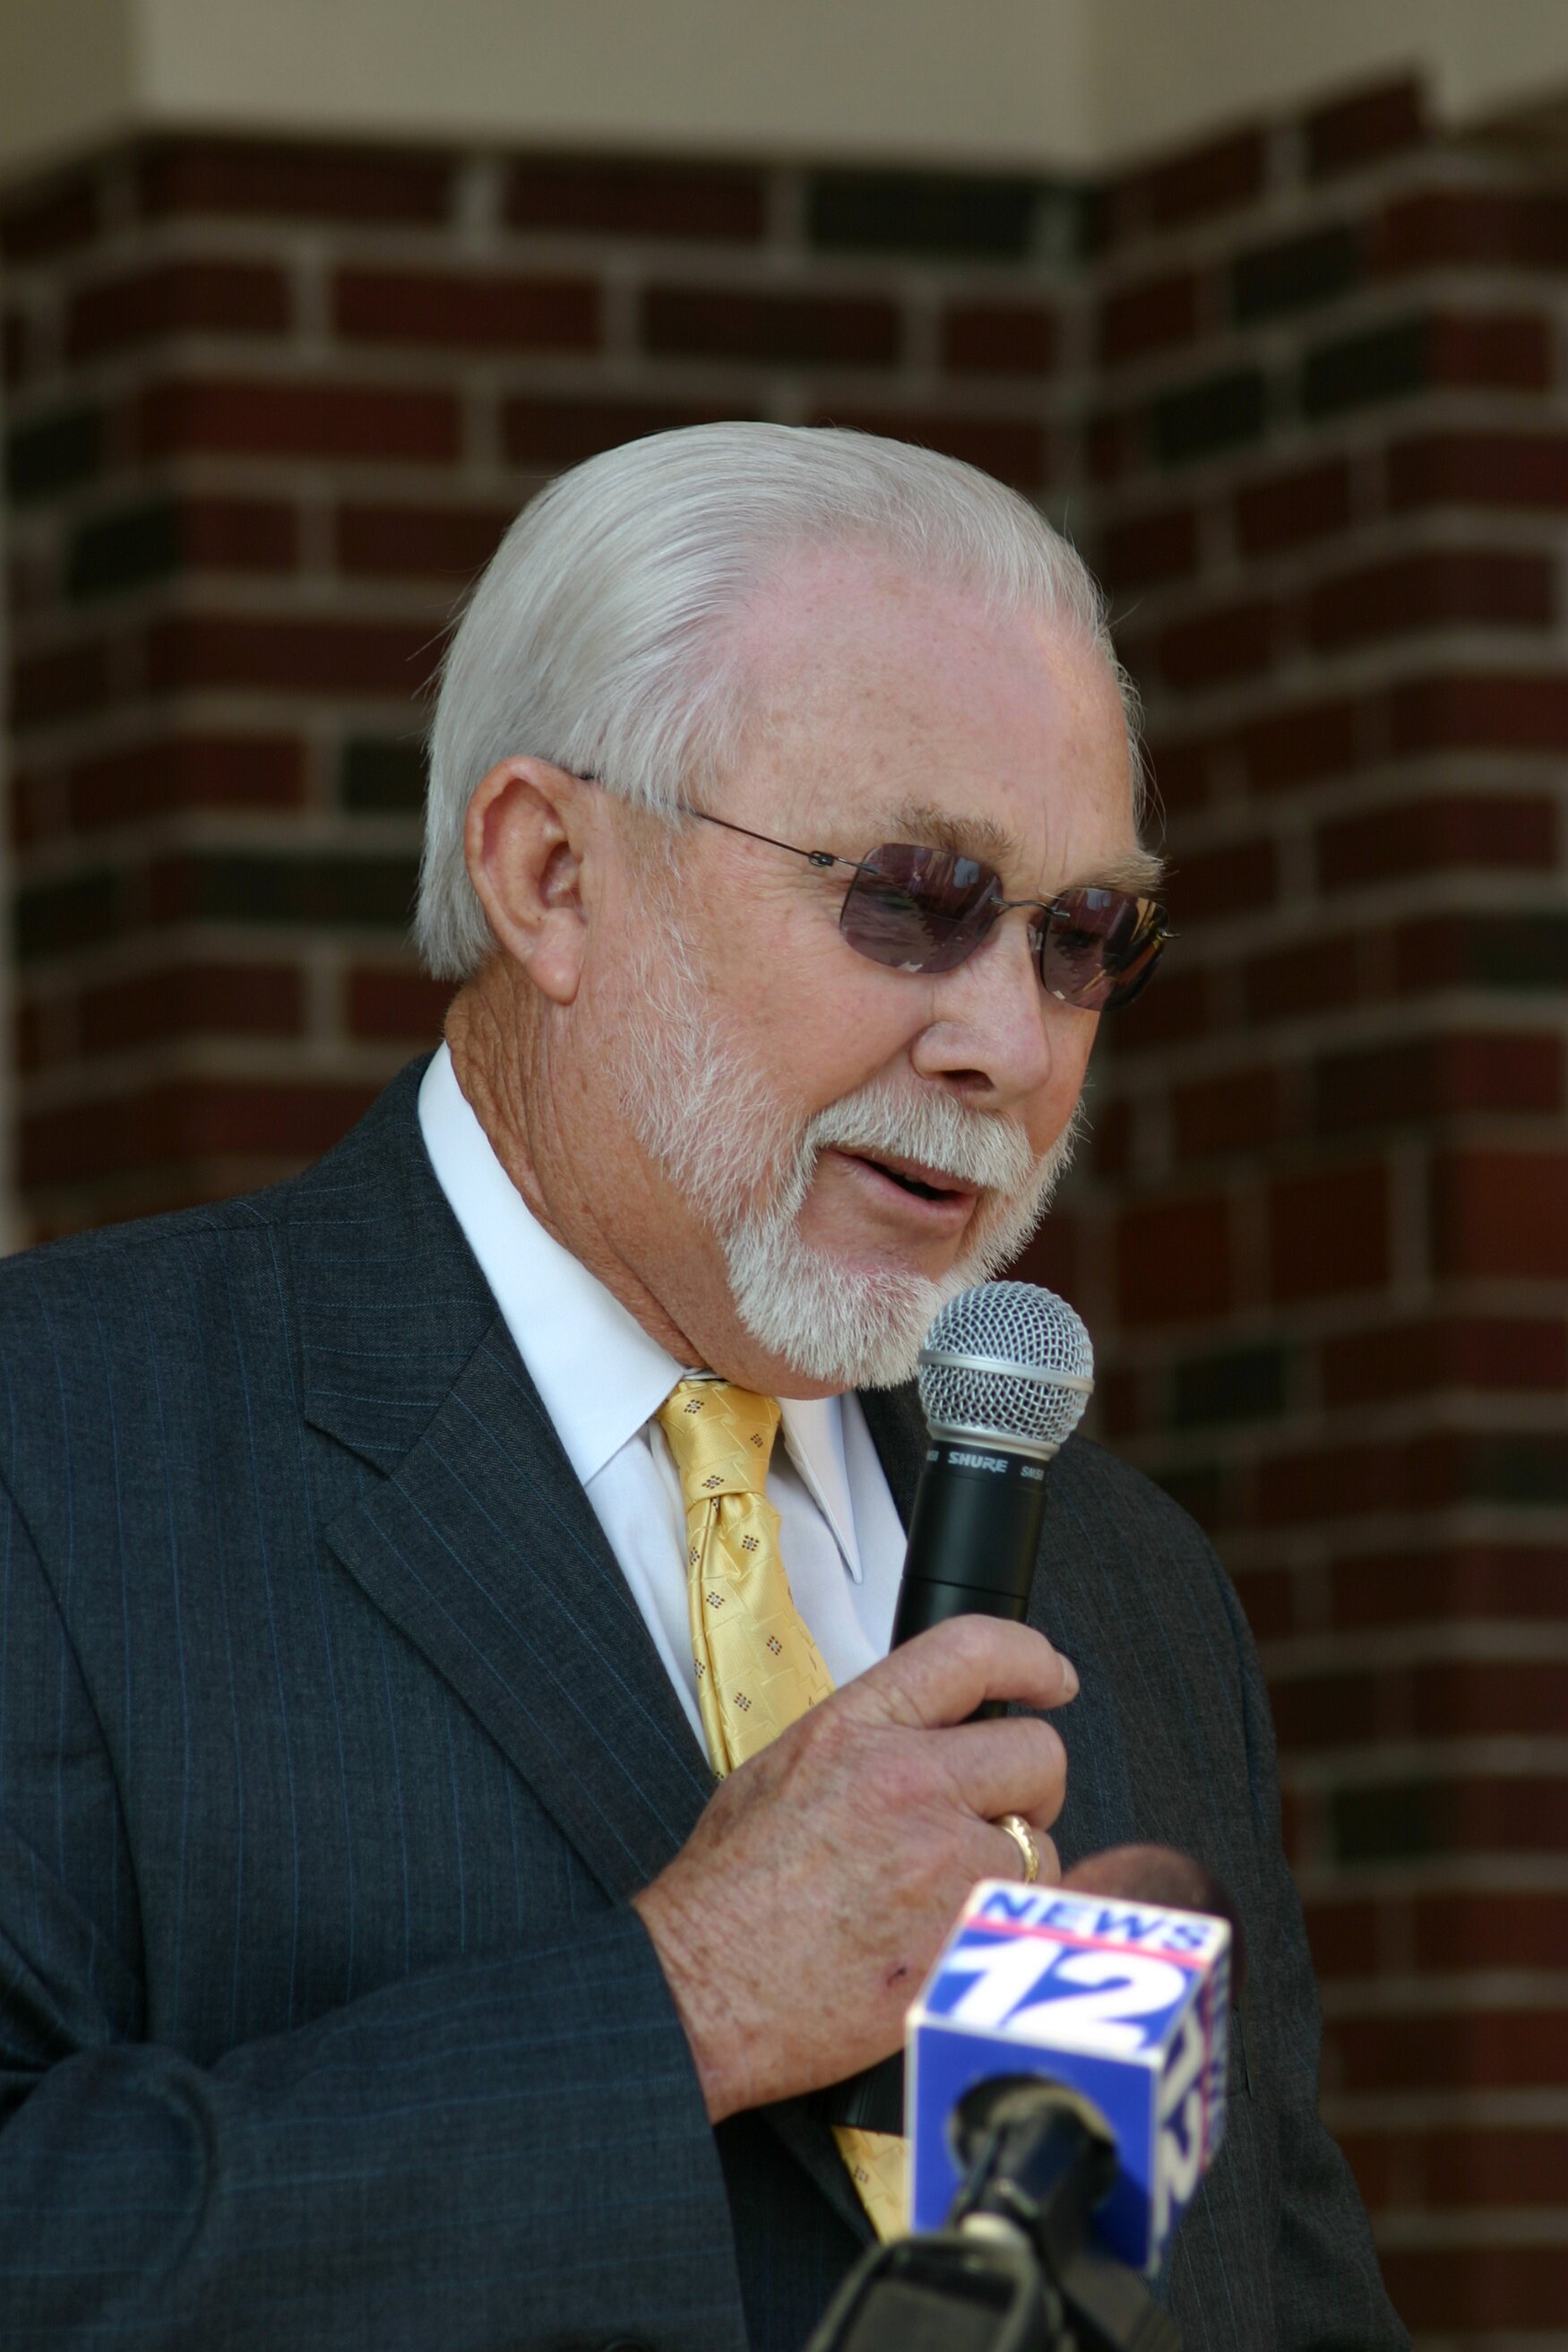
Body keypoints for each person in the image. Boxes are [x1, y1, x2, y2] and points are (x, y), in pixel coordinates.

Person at [0, 426, 1406, 2352]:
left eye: (1082, 939)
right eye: (912, 896)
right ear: (550, 872)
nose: (1007, 1042)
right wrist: (685, 2005)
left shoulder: (1129, 1586)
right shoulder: (61, 1451)